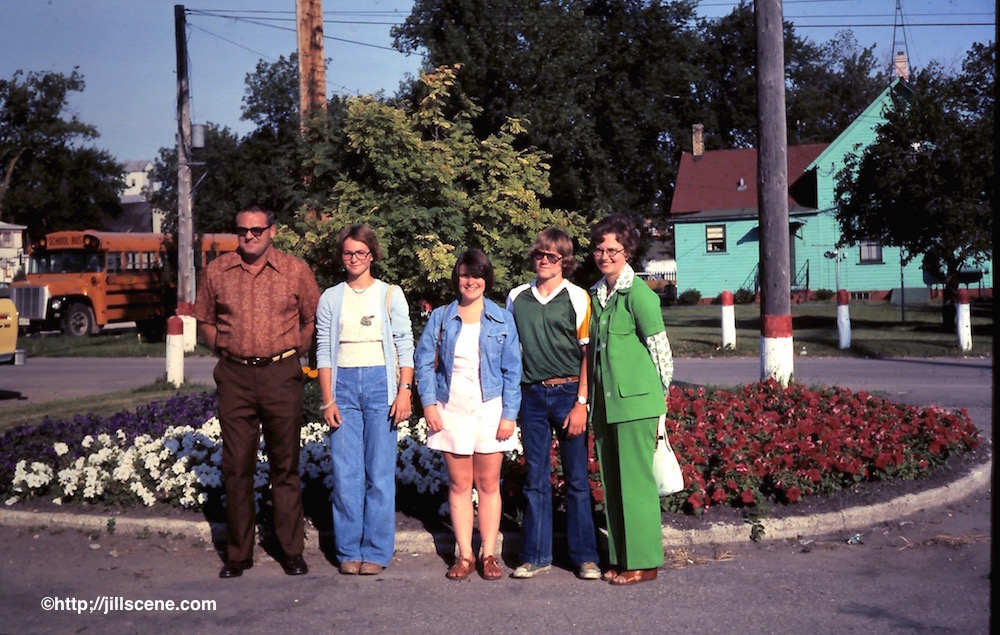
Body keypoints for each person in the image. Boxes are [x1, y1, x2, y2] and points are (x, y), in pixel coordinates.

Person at [194, 205, 321, 579]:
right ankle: (238, 553)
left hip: (281, 375)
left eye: (256, 230)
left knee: (285, 465)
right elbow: (205, 320)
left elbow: (312, 318)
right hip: (234, 377)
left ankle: (291, 551)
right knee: (237, 467)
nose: (249, 236)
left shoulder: (295, 270)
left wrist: (291, 352)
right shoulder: (217, 270)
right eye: (242, 231)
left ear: (272, 231)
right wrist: (230, 351)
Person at [414, 249, 522, 581]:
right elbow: (423, 363)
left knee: (489, 483)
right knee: (460, 484)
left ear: (486, 279)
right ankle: (464, 555)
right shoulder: (442, 316)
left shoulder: (502, 318)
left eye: (476, 275)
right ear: (457, 278)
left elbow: (513, 371)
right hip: (452, 407)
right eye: (464, 275)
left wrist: (509, 414)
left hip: (491, 408)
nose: (470, 281)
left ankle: (489, 555)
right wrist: (429, 404)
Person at [315, 224, 414, 576]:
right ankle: (348, 550)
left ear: (372, 255)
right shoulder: (331, 297)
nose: (354, 258)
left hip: (380, 385)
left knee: (380, 472)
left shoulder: (390, 294)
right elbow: (323, 352)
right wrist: (328, 400)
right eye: (347, 252)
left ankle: (375, 549)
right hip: (342, 385)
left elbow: (405, 345)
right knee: (346, 472)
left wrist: (404, 391)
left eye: (360, 252)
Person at [505, 228, 601, 580]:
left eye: (552, 256)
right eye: (539, 255)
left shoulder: (577, 298)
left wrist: (581, 402)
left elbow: (588, 353)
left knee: (576, 479)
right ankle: (534, 555)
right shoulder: (517, 297)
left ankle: (585, 556)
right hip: (531, 396)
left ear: (565, 261)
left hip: (567, 394)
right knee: (535, 478)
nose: (543, 261)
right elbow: (511, 351)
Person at [587, 214, 673, 585]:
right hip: (606, 404)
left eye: (612, 250)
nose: (604, 255)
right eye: (599, 248)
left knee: (636, 483)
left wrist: (661, 406)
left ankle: (645, 562)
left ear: (628, 252)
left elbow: (661, 354)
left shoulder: (640, 295)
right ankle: (622, 558)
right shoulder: (595, 293)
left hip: (637, 404)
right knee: (614, 483)